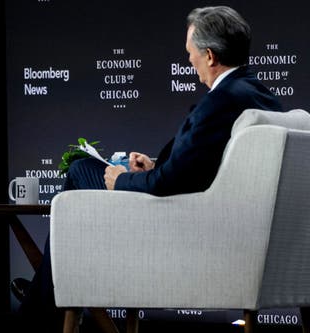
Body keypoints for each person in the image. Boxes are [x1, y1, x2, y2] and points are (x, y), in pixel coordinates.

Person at [14, 5, 284, 329]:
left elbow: (166, 184)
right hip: (223, 223)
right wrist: (156, 163)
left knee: (81, 171)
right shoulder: (263, 98)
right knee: (88, 175)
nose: (189, 60)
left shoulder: (222, 101)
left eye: (191, 52)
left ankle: (50, 303)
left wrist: (123, 180)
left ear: (210, 56)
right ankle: (52, 293)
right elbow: (212, 167)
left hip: (182, 225)